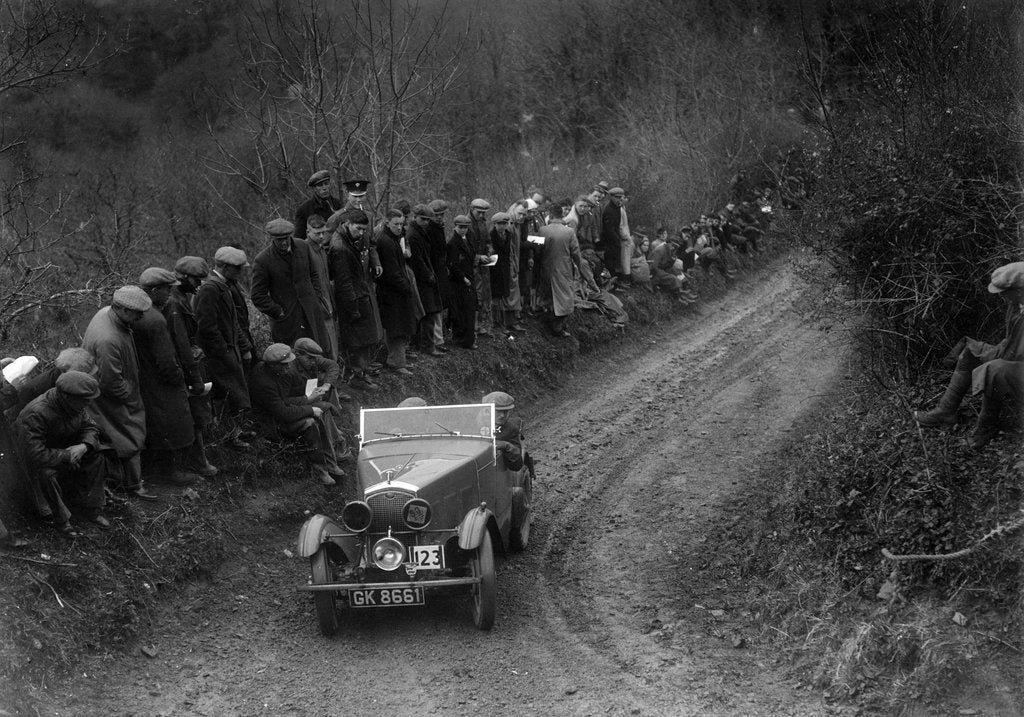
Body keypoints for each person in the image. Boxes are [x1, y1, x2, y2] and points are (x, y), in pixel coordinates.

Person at [914, 262, 1024, 448]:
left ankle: (985, 430)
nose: (1001, 296)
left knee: (993, 371)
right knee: (970, 350)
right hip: (1015, 356)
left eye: (1004, 292)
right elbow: (1011, 342)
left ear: (1020, 290)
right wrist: (992, 353)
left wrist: (995, 361)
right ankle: (946, 411)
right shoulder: (1016, 304)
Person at [15, 371, 114, 536]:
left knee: (97, 457)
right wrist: (67, 456)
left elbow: (89, 427)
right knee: (46, 475)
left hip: (68, 453)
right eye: (85, 400)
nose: (88, 404)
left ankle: (91, 508)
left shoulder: (74, 405)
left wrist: (83, 446)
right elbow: (33, 453)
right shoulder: (35, 413)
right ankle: (62, 520)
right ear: (67, 397)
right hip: (40, 464)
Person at [82, 285, 156, 501]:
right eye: (137, 313)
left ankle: (119, 482)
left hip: (106, 393)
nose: (141, 316)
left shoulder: (106, 313)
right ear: (123, 310)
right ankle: (133, 485)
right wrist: (131, 398)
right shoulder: (109, 339)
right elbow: (111, 383)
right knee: (131, 434)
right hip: (111, 397)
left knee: (119, 436)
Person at [135, 268, 201, 487]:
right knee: (170, 422)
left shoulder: (137, 310)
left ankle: (154, 469)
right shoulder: (154, 319)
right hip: (160, 380)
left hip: (142, 378)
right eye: (166, 290)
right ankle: (168, 471)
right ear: (154, 291)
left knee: (154, 422)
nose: (169, 295)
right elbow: (166, 361)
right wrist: (179, 378)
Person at [248, 343, 345, 486]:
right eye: (285, 365)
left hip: (283, 411)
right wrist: (310, 409)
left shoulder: (280, 372)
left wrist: (309, 402)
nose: (289, 367)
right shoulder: (264, 382)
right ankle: (320, 470)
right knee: (309, 422)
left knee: (319, 414)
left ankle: (331, 463)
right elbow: (282, 413)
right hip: (271, 422)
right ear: (273, 365)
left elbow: (290, 398)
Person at [194, 247, 254, 450]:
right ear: (225, 267)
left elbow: (232, 321)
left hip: (230, 350)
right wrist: (225, 352)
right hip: (218, 356)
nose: (240, 272)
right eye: (237, 269)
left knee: (236, 395)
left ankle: (236, 431)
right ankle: (229, 437)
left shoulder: (225, 285)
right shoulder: (210, 289)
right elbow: (207, 328)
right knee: (227, 396)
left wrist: (243, 347)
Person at [167, 256, 218, 476]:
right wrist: (194, 376)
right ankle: (197, 462)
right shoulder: (175, 302)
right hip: (184, 368)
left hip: (189, 363)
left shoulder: (181, 297)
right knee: (193, 415)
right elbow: (182, 344)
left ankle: (198, 460)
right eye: (196, 280)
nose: (199, 285)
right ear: (184, 277)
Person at [251, 218, 328, 350]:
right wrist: (278, 312)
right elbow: (257, 295)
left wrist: (316, 298)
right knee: (295, 357)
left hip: (311, 313)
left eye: (286, 238)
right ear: (272, 238)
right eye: (279, 239)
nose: (283, 242)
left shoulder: (303, 246)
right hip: (288, 321)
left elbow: (313, 274)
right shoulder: (263, 260)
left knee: (319, 350)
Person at [329, 209, 383, 389]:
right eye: (358, 229)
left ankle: (361, 372)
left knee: (363, 339)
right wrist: (353, 309)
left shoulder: (347, 241)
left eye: (364, 230)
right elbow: (343, 282)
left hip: (358, 295)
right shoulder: (340, 248)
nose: (361, 233)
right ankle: (357, 377)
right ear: (347, 224)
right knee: (357, 341)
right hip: (352, 300)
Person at [374, 209, 416, 375]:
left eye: (401, 224)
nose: (399, 227)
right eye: (396, 224)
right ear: (387, 223)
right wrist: (406, 287)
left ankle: (397, 360)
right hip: (391, 293)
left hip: (395, 292)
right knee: (395, 328)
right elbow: (392, 272)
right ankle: (397, 363)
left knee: (397, 327)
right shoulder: (386, 242)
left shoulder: (392, 239)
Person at [538, 204, 583, 338]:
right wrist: (579, 267)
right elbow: (576, 253)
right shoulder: (568, 232)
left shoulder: (542, 230)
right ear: (561, 215)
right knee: (564, 298)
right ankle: (557, 327)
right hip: (563, 269)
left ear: (550, 216)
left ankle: (550, 321)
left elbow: (538, 251)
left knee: (549, 296)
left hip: (546, 268)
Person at [406, 204, 444, 356]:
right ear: (414, 217)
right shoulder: (413, 235)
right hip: (421, 279)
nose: (426, 222)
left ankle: (424, 345)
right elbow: (417, 261)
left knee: (428, 312)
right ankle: (427, 347)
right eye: (423, 219)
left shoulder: (420, 231)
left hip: (425, 277)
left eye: (428, 220)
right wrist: (428, 275)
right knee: (428, 312)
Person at [301, 214, 339, 359]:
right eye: (317, 233)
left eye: (324, 232)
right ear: (308, 232)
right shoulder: (304, 251)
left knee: (332, 341)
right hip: (318, 305)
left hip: (328, 301)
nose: (322, 236)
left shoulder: (321, 249)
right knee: (323, 344)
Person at [489, 212, 525, 332]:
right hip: (494, 270)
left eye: (505, 224)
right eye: (500, 224)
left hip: (506, 268)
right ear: (495, 224)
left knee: (506, 294)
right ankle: (497, 323)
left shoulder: (509, 234)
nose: (503, 226)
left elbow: (511, 251)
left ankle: (507, 323)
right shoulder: (491, 236)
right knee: (496, 297)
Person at [447, 214, 478, 350]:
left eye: (465, 227)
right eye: (461, 227)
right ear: (455, 227)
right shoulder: (453, 242)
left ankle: (468, 339)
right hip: (459, 281)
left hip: (468, 278)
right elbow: (452, 264)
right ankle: (464, 340)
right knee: (461, 311)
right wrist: (462, 278)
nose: (463, 230)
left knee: (469, 310)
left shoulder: (467, 239)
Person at [468, 198, 493, 337]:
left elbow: (488, 241)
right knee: (475, 294)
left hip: (484, 266)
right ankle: (473, 325)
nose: (482, 215)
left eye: (484, 213)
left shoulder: (483, 223)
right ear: (472, 210)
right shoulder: (465, 223)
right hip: (471, 266)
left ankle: (481, 323)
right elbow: (463, 248)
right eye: (479, 212)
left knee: (484, 293)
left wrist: (489, 251)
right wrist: (478, 257)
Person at [294, 170, 341, 240]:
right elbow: (299, 239)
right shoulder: (304, 209)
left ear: (330, 184)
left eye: (326, 183)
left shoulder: (338, 204)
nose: (324, 188)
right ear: (314, 189)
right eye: (320, 185)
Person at [482, 390, 523, 471]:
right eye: (498, 411)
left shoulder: (511, 429)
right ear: (487, 410)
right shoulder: (472, 423)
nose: (502, 415)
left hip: (494, 472)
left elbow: (517, 466)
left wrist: (506, 446)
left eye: (505, 411)